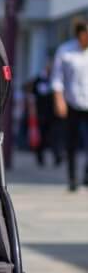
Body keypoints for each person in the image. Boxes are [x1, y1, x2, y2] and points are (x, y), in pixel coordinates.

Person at [51, 18, 88, 191]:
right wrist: (59, 100)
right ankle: (72, 179)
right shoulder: (65, 51)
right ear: (79, 34)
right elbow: (57, 79)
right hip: (72, 102)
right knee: (71, 143)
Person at [26, 59, 62, 167]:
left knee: (55, 136)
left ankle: (57, 156)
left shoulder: (56, 81)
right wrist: (32, 111)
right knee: (42, 136)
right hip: (41, 114)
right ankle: (40, 157)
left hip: (54, 114)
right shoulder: (38, 80)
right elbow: (32, 96)